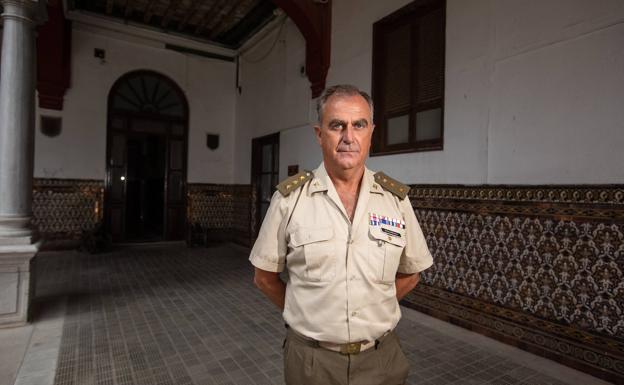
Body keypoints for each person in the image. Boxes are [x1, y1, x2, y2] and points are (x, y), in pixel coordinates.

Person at [249, 84, 433, 385]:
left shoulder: (395, 200)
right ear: (320, 134)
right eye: (337, 125)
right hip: (311, 363)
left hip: (382, 360)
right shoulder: (290, 199)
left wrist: (372, 306)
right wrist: (309, 313)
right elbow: (264, 277)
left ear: (371, 132)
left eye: (359, 125)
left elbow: (412, 273)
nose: (349, 137)